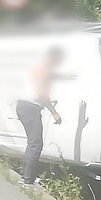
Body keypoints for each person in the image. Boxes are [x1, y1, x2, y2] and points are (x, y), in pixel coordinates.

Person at [15, 47, 64, 185]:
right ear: (53, 58)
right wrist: (54, 112)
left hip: (25, 106)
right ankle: (27, 180)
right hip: (30, 108)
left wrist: (64, 76)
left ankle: (25, 174)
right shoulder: (44, 70)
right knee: (36, 144)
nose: (58, 64)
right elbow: (42, 94)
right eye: (58, 61)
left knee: (32, 143)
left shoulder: (40, 68)